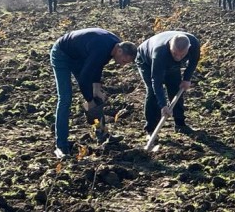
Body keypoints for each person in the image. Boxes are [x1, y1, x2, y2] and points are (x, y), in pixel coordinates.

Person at [50, 28, 137, 158]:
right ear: (119, 51)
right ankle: (61, 146)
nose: (123, 65)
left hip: (79, 55)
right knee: (65, 99)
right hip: (62, 53)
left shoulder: (114, 46)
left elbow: (98, 65)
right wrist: (90, 101)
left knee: (96, 97)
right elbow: (84, 79)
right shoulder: (101, 48)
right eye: (124, 61)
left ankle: (102, 134)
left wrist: (96, 88)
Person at [137, 32, 200, 136]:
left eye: (182, 55)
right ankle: (151, 129)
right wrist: (163, 105)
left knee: (176, 88)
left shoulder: (194, 43)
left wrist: (187, 79)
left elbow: (194, 61)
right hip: (146, 62)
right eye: (175, 53)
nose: (178, 57)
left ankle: (180, 124)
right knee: (153, 92)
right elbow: (156, 82)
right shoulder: (159, 52)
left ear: (188, 48)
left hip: (170, 63)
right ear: (170, 44)